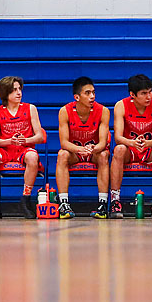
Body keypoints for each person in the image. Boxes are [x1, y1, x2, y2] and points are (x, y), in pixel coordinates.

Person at [0, 76, 46, 219]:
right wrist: (10, 141)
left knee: (33, 157)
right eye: (14, 90)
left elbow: (40, 137)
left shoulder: (30, 108)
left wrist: (25, 140)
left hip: (24, 149)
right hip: (6, 149)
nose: (19, 92)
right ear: (5, 93)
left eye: (19, 89)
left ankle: (26, 199)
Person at [109, 74, 152, 218]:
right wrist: (132, 143)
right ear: (132, 94)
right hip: (130, 149)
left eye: (150, 92)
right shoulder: (121, 106)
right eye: (143, 93)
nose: (148, 96)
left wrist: (147, 143)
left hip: (149, 148)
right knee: (118, 149)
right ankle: (115, 201)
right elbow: (118, 137)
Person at [56, 76, 111, 219]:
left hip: (94, 152)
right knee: (62, 154)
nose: (92, 96)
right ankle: (64, 203)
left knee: (104, 155)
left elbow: (103, 142)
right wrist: (80, 149)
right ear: (77, 97)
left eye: (93, 92)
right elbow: (64, 143)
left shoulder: (103, 111)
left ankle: (103, 204)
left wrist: (94, 149)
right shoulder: (65, 111)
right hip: (76, 152)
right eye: (87, 93)